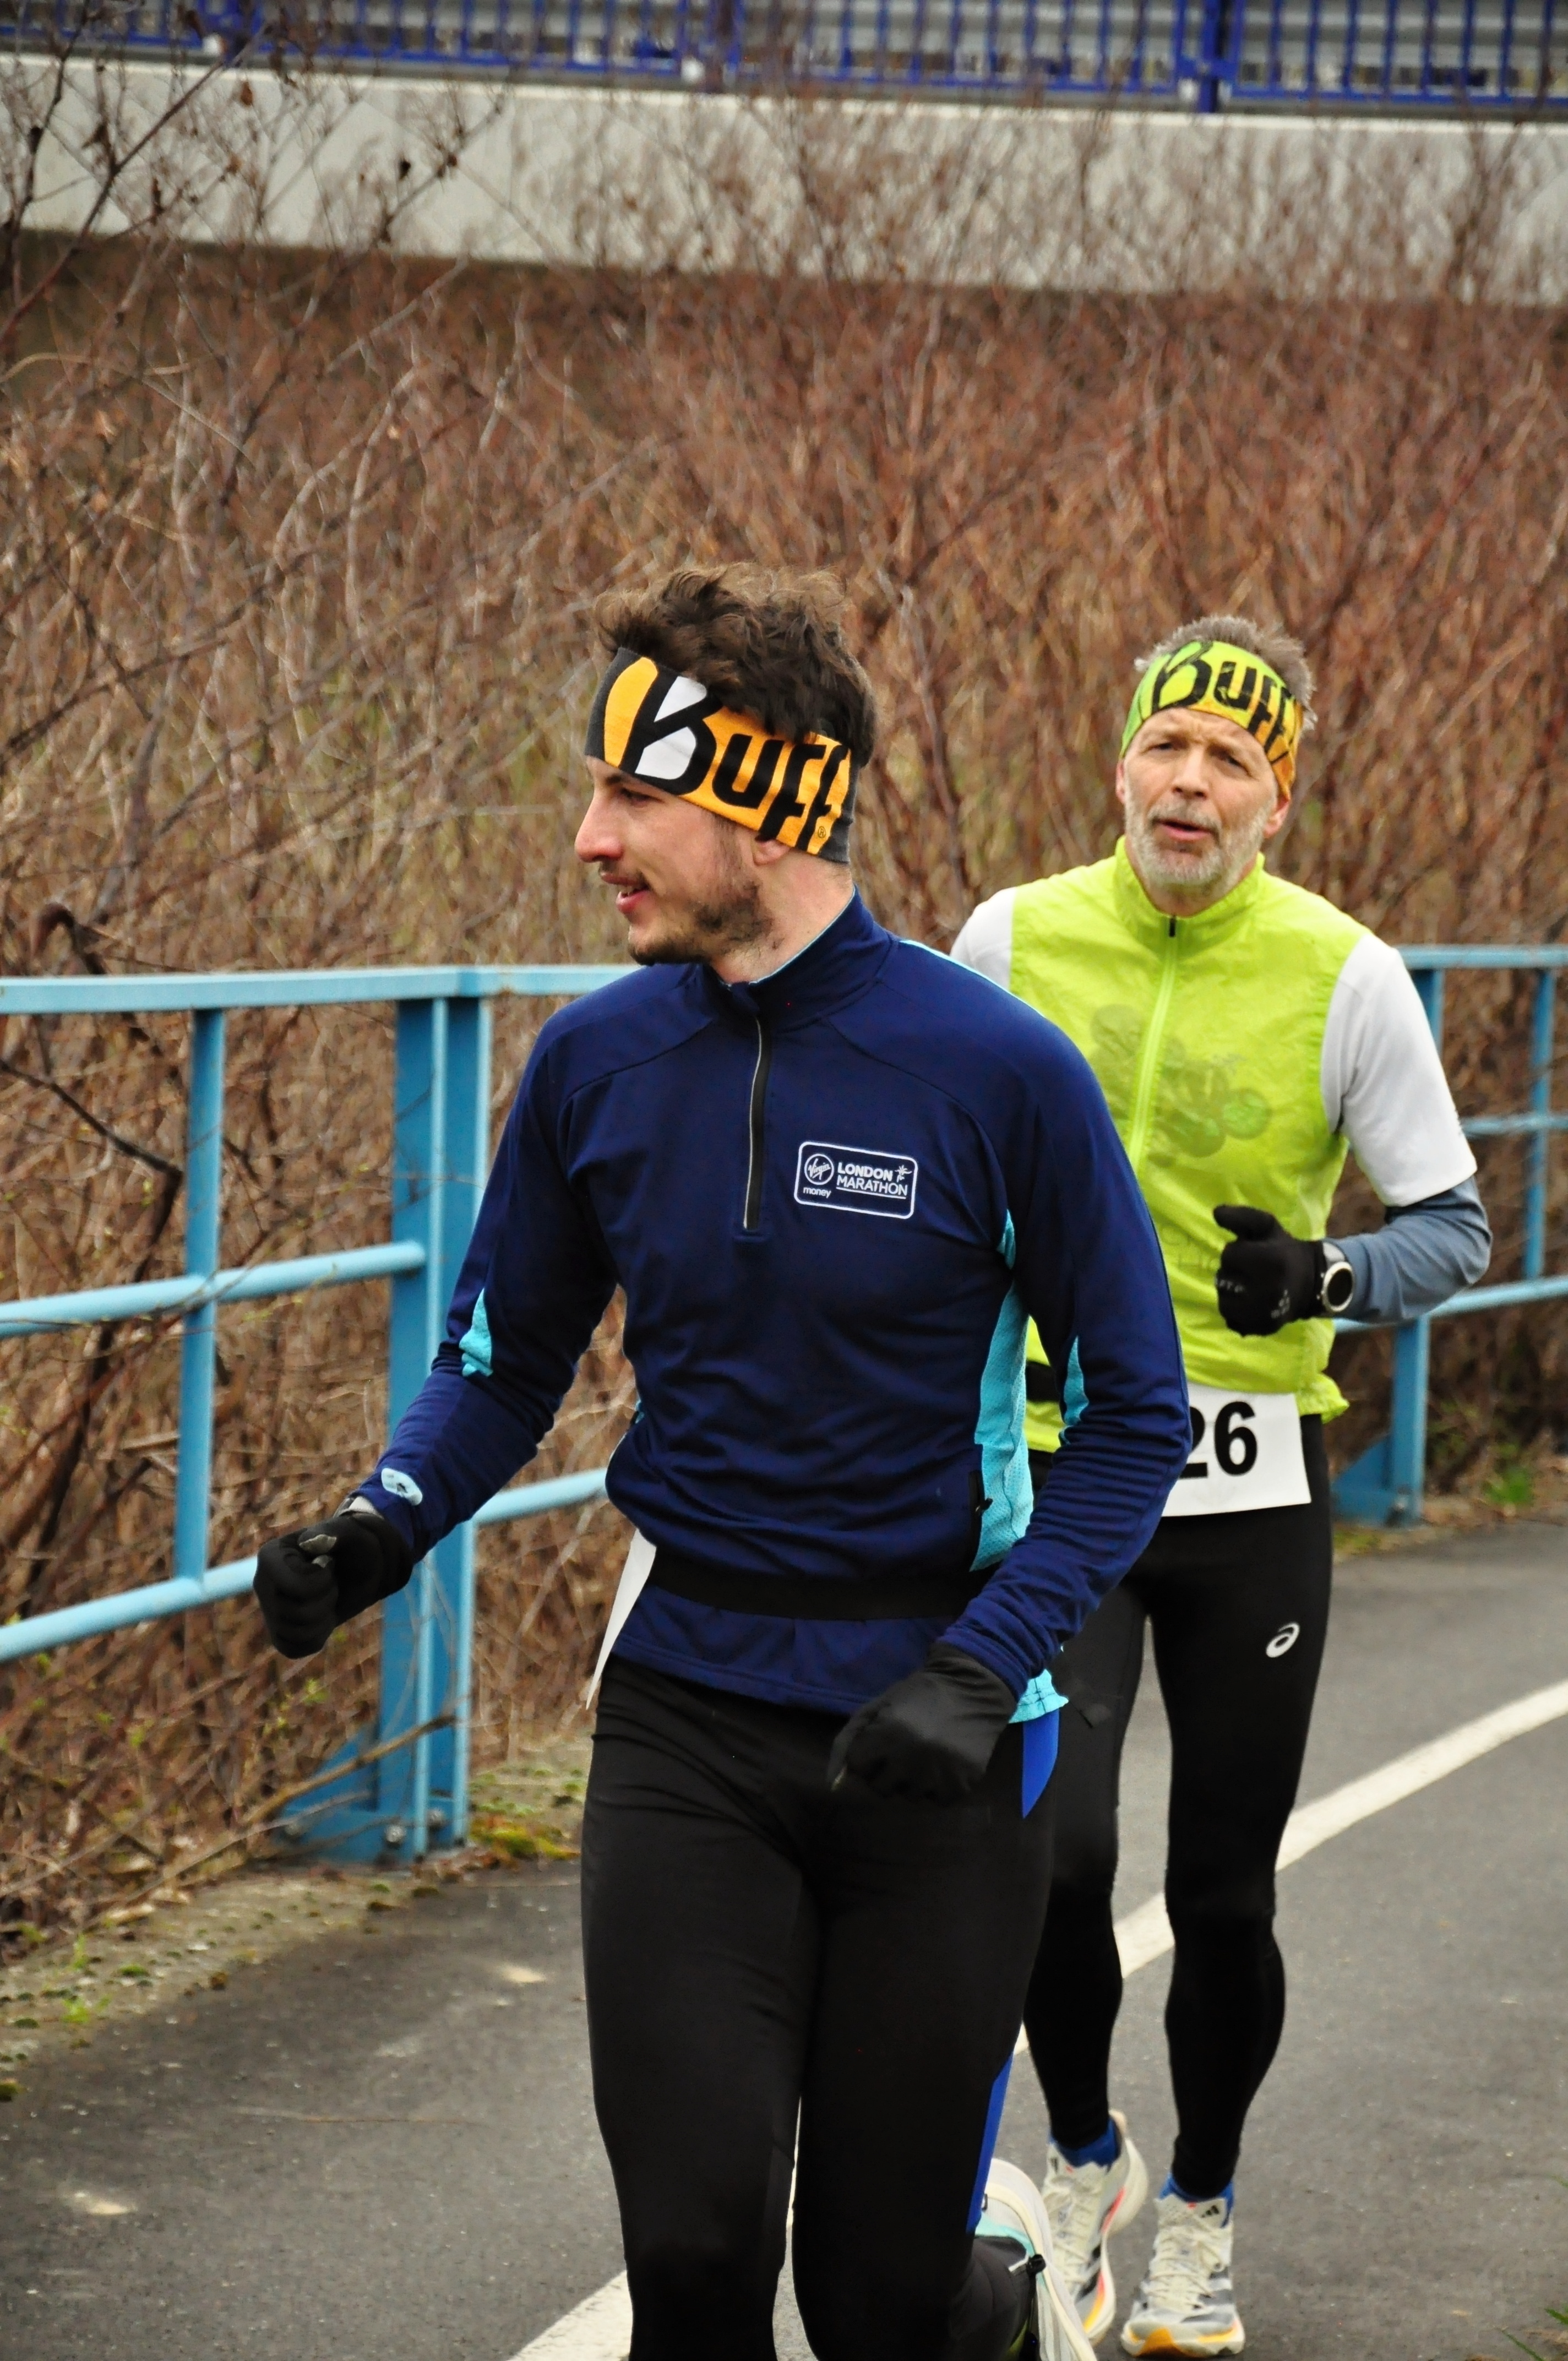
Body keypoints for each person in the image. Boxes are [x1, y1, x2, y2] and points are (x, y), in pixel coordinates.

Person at [252, 568, 1192, 2361]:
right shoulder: (597, 1061)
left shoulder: (998, 1073)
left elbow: (1134, 1415)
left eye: (635, 795)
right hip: (688, 1711)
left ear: (774, 798)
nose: (590, 839)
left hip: (942, 1732)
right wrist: (379, 1527)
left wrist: (983, 1663)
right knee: (691, 2263)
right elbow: (501, 1360)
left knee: (881, 2304)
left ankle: (1002, 2298)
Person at [952, 618, 1490, 2355]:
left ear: (1280, 799)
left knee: (1224, 1890)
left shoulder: (1349, 976)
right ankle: (1086, 2159)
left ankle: (1202, 2210)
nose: (1192, 783)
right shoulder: (1010, 940)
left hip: (1250, 1488)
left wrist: (1325, 1277)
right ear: (1122, 766)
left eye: (1232, 761)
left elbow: (1454, 1229)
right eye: (1168, 747)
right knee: (1054, 1853)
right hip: (1059, 1472)